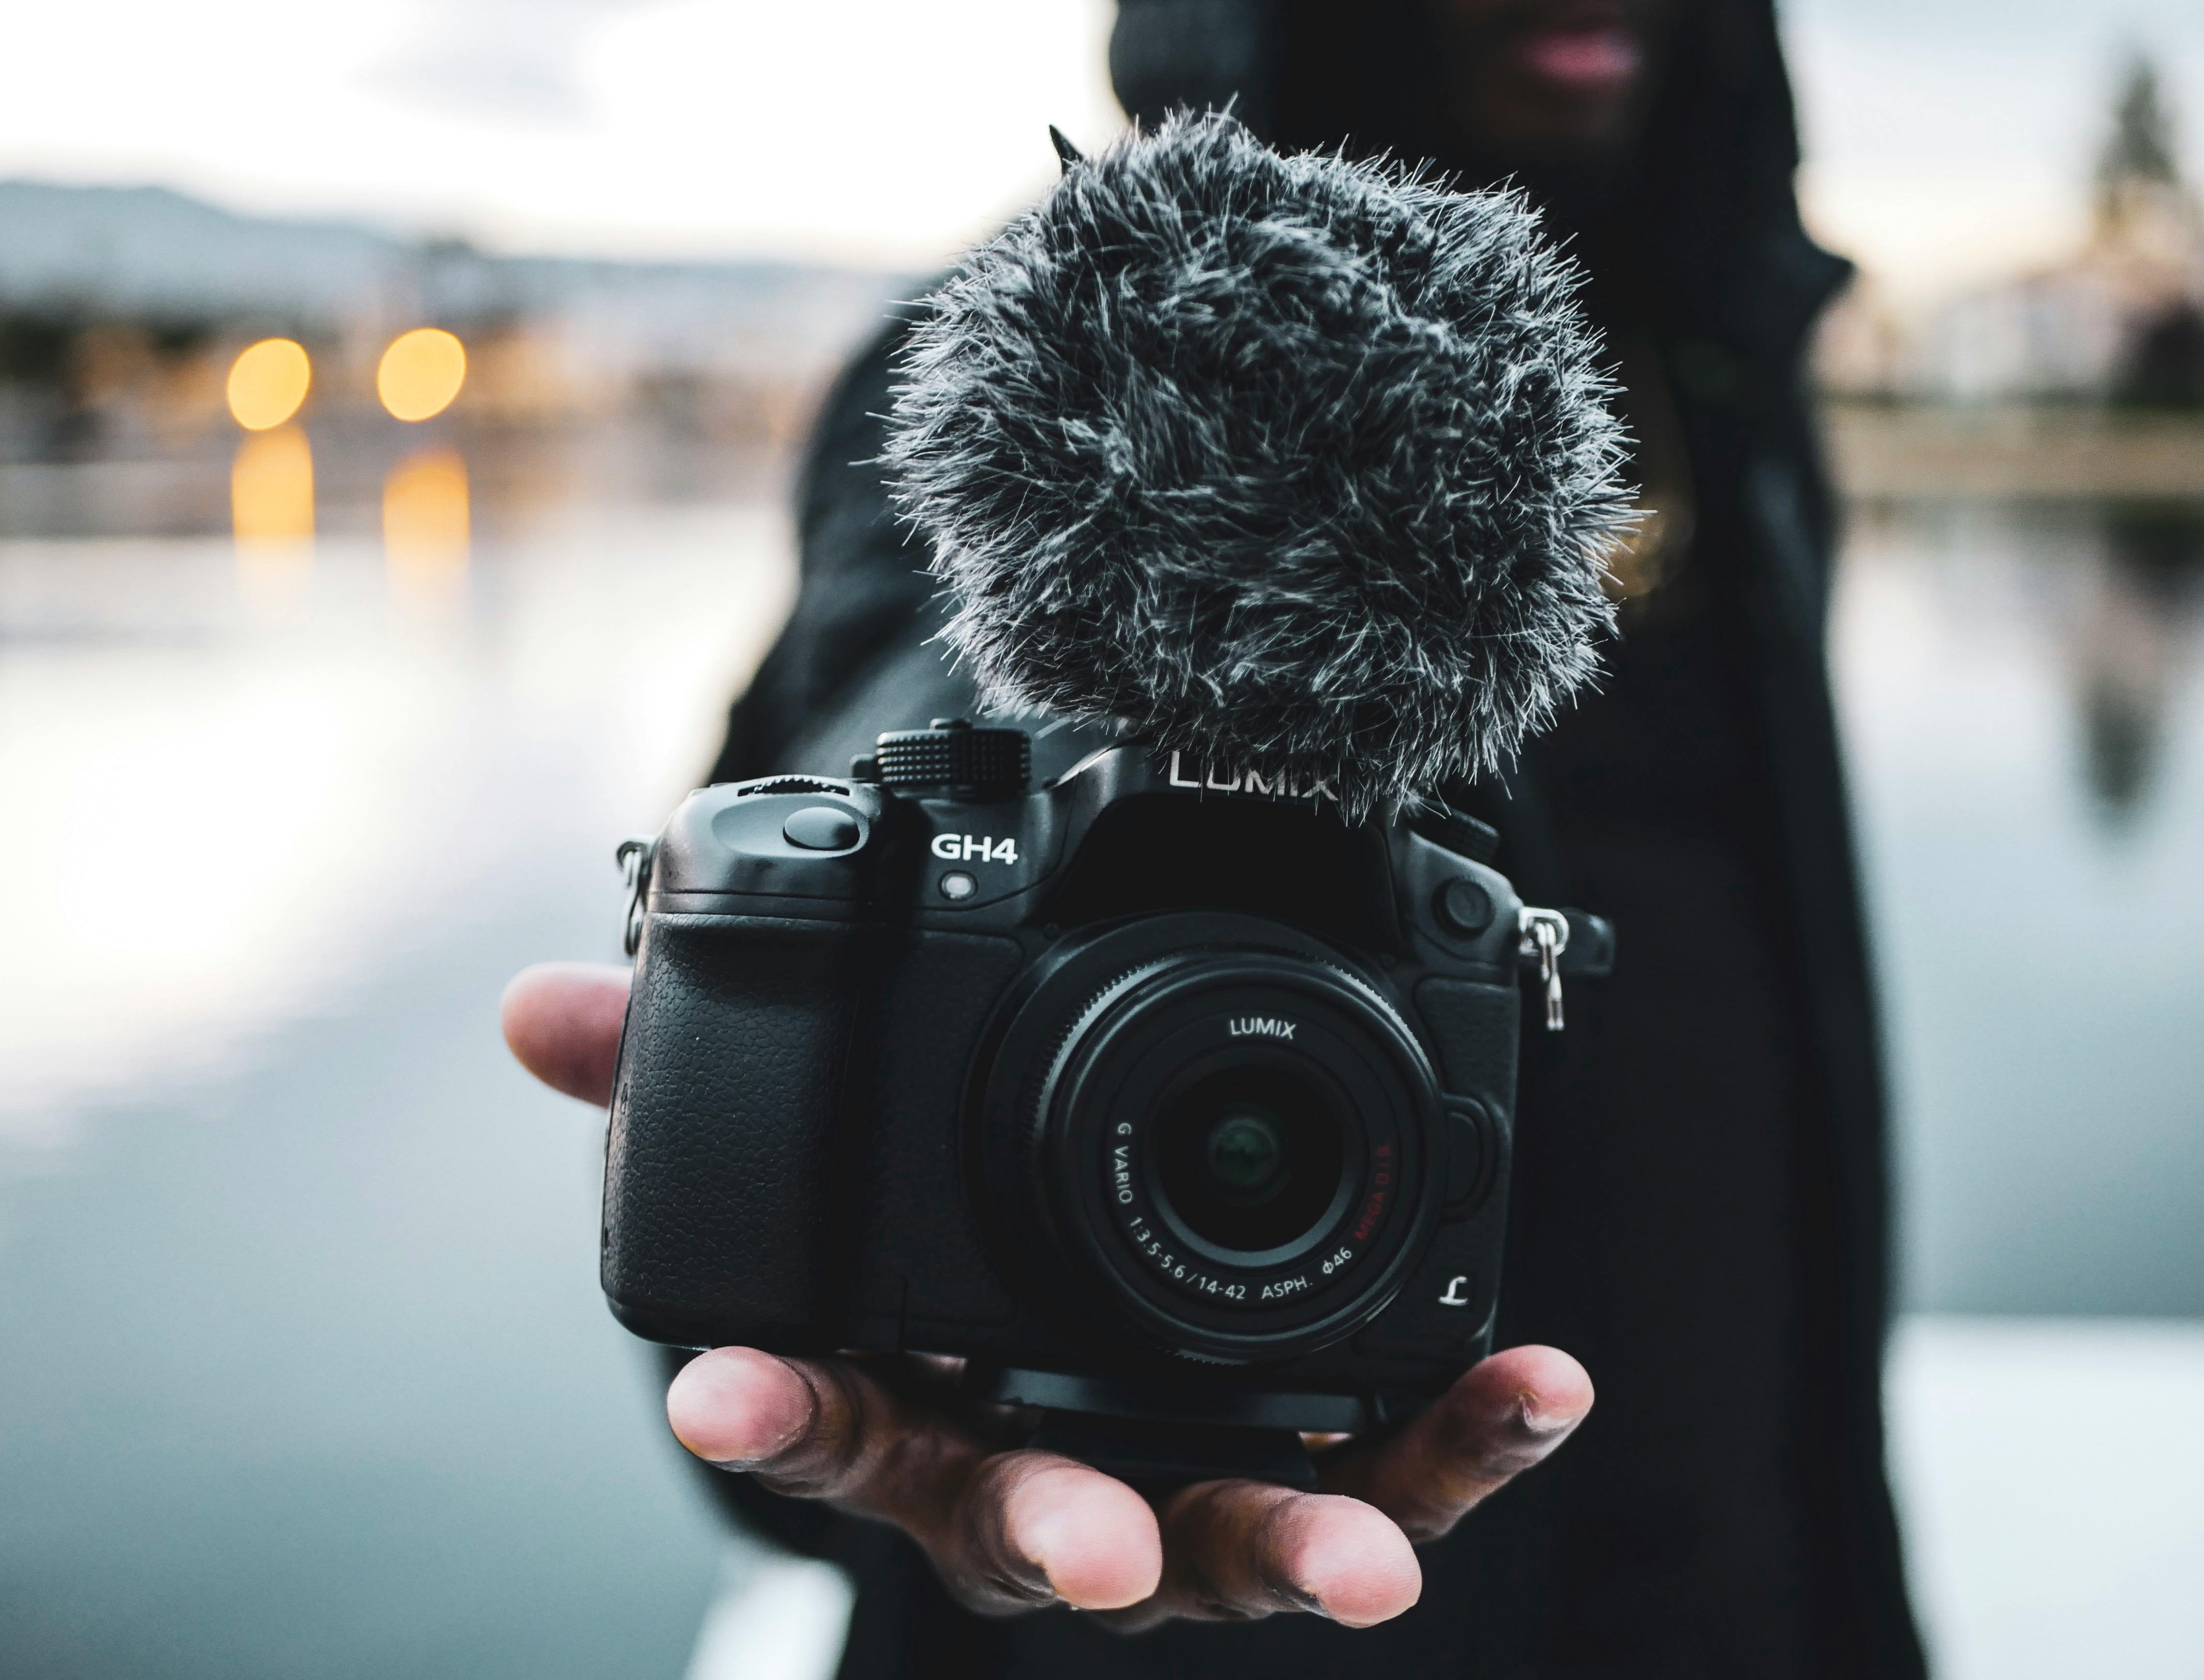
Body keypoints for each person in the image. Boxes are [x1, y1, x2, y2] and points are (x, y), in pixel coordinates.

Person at [501, 0, 1929, 1673]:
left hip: (1747, 1573)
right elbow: (908, 699)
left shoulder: (1723, 377)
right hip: (1193, 1602)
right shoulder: (1064, 352)